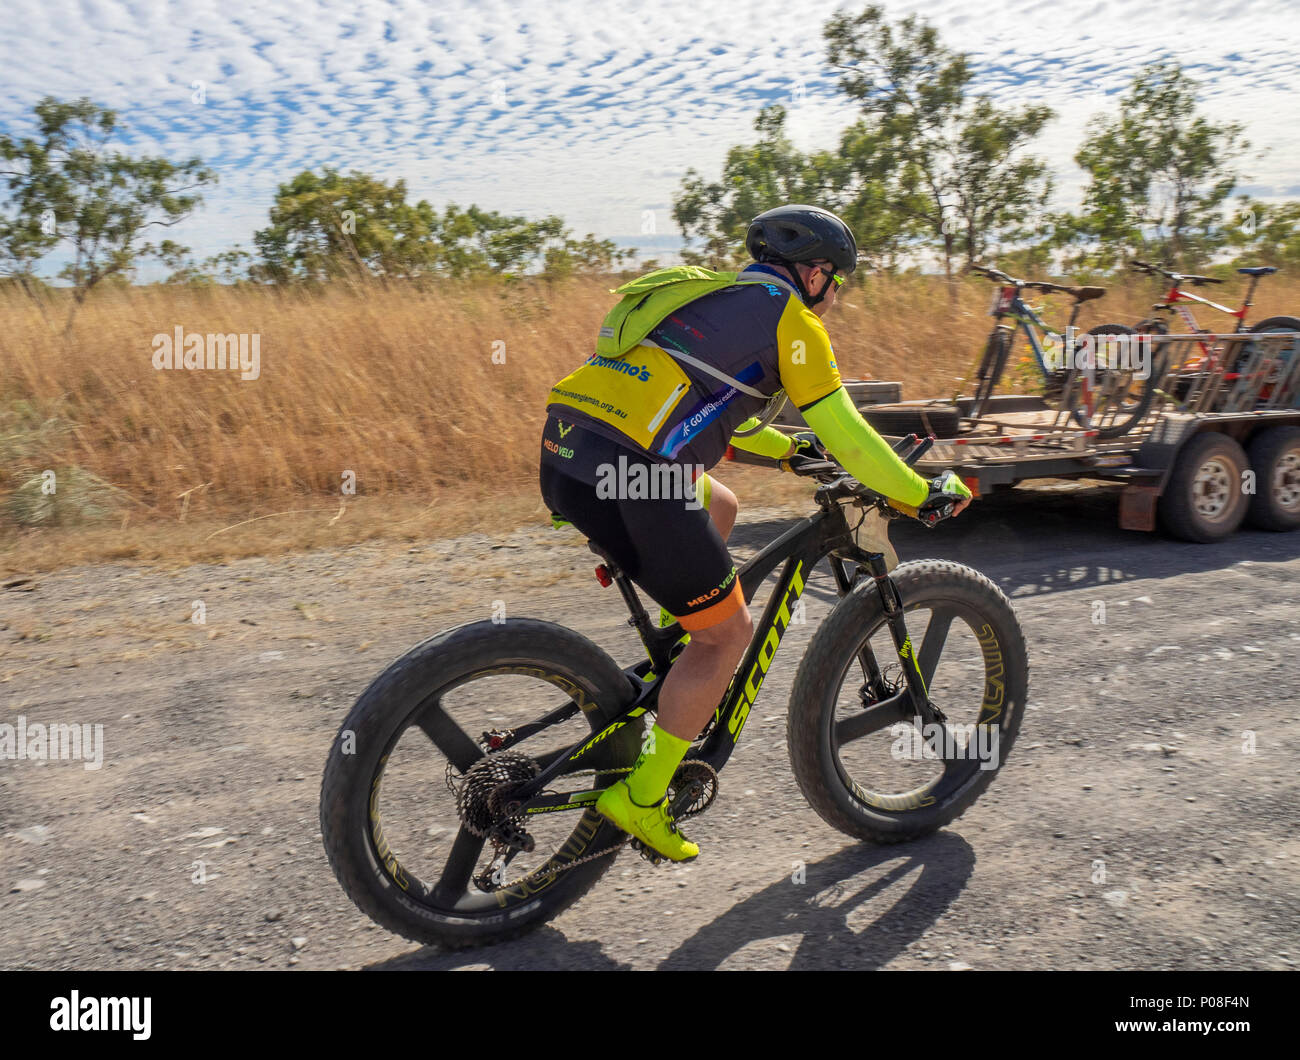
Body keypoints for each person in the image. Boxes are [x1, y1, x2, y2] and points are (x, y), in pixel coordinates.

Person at [538, 204, 972, 862]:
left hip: (568, 454)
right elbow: (850, 436)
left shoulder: (713, 297)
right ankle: (642, 796)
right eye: (836, 280)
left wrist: (789, 451)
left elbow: (717, 418)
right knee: (729, 637)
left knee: (722, 506)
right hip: (639, 473)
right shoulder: (791, 320)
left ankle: (679, 663)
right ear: (817, 273)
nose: (833, 294)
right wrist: (919, 492)